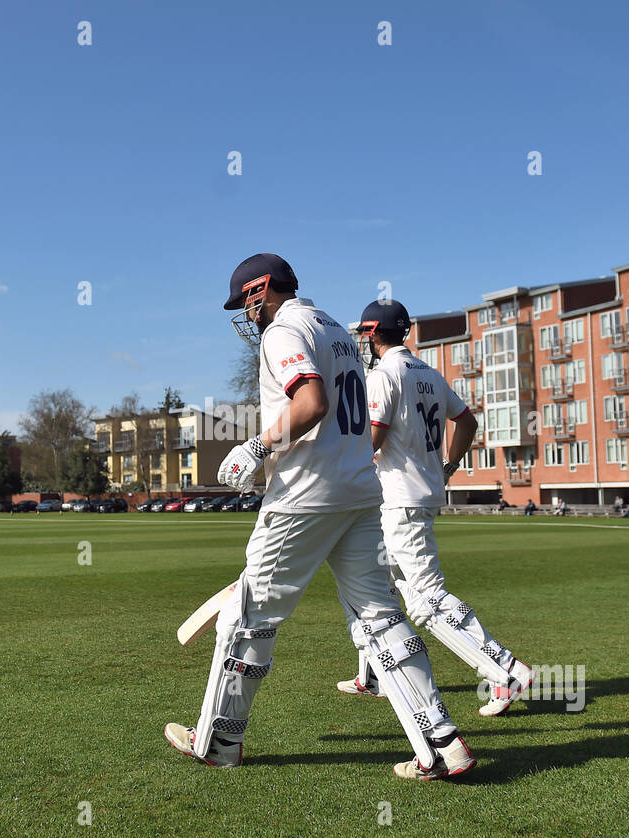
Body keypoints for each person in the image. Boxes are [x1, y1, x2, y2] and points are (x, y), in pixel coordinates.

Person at [165, 254, 475, 781]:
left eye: (245, 299)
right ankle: (442, 745)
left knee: (248, 618)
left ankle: (218, 743)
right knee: (381, 615)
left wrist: (256, 446)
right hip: (359, 492)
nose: (245, 311)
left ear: (261, 290)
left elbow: (309, 403)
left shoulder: (282, 331)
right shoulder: (334, 327)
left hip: (304, 496)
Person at [337, 300, 535, 719]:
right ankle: (374, 673)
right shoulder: (429, 373)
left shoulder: (383, 375)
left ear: (373, 333)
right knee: (378, 585)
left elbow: (373, 437)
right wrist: (448, 467)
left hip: (400, 500)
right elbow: (467, 423)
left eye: (364, 333)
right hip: (415, 494)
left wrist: (341, 469)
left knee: (426, 597)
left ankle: (506, 671)